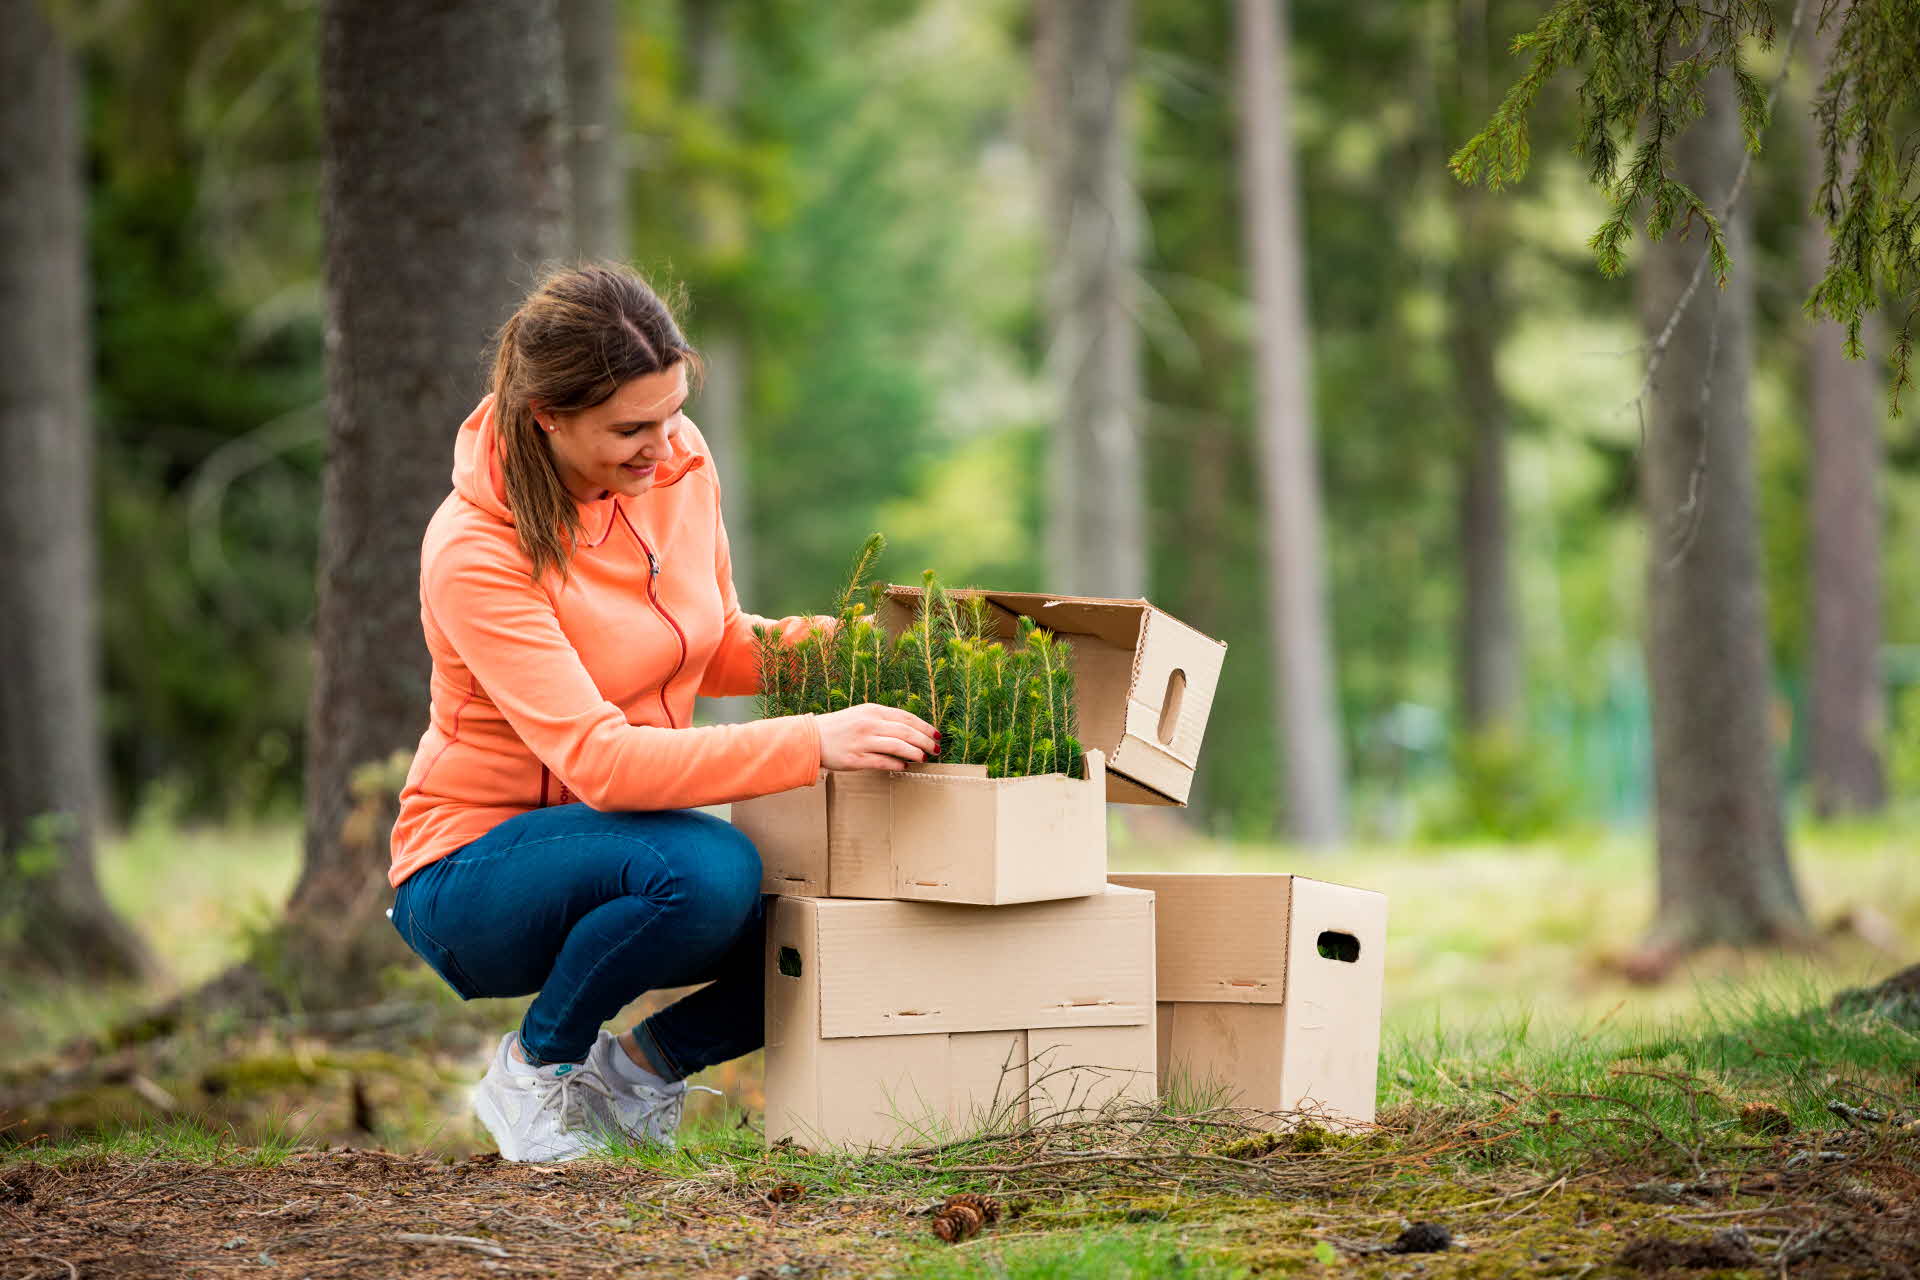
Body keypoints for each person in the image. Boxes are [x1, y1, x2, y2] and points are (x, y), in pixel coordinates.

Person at [386, 265, 939, 1162]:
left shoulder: (678, 468)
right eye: (631, 428)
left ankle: (637, 1075)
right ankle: (535, 1073)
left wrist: (856, 649)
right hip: (471, 872)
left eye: (674, 412)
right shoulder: (474, 550)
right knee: (709, 868)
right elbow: (603, 762)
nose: (663, 445)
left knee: (843, 926)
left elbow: (712, 644)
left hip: (626, 843)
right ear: (547, 418)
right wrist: (815, 741)